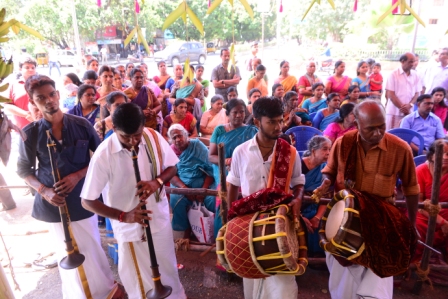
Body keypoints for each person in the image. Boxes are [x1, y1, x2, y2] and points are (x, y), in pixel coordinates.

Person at [17, 74, 122, 299]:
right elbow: (24, 170)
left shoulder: (82, 125)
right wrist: (44, 191)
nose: (49, 101)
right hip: (53, 205)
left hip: (83, 200)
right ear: (32, 101)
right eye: (41, 97)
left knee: (91, 247)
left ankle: (105, 291)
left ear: (59, 94)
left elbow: (101, 158)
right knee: (66, 252)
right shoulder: (30, 133)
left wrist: (77, 176)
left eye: (52, 94)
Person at [80, 102, 187, 299]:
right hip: (130, 229)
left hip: (159, 220)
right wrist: (123, 215)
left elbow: (172, 167)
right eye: (125, 137)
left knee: (168, 269)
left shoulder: (153, 137)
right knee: (140, 280)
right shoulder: (104, 154)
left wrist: (157, 182)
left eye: (136, 135)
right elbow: (87, 200)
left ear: (143, 125)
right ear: (114, 128)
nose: (132, 141)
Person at [315, 100, 419, 299]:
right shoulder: (343, 143)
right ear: (357, 124)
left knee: (376, 287)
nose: (378, 133)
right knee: (343, 286)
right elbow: (329, 171)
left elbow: (411, 190)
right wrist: (326, 182)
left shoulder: (400, 149)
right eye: (371, 128)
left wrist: (411, 224)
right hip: (344, 222)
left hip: (381, 225)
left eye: (382, 127)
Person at [226, 96, 304, 298]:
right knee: (251, 281)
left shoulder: (290, 153)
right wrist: (230, 219)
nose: (278, 127)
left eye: (280, 120)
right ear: (257, 122)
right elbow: (232, 185)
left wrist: (297, 199)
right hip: (248, 225)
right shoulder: (240, 152)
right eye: (272, 122)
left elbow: (299, 183)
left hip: (280, 225)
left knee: (284, 286)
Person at [209, 99, 258, 236]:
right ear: (228, 114)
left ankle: (242, 238)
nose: (238, 115)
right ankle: (222, 237)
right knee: (224, 203)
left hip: (246, 173)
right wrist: (227, 161)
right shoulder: (219, 130)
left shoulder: (252, 131)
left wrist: (241, 162)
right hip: (224, 174)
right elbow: (211, 156)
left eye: (242, 112)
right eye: (235, 112)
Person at [168, 124, 216, 239]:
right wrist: (185, 189)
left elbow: (211, 169)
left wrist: (203, 190)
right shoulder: (170, 151)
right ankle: (185, 230)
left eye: (180, 136)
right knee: (176, 199)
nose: (178, 140)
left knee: (213, 199)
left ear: (186, 135)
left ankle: (213, 229)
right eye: (174, 138)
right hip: (181, 184)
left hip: (203, 182)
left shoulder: (197, 146)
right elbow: (170, 175)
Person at [413, 139, 448, 263]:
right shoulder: (421, 170)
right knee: (415, 228)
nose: (445, 157)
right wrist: (442, 222)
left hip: (445, 211)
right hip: (424, 214)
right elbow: (419, 205)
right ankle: (414, 264)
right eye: (441, 153)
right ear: (431, 155)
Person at [301, 136, 331, 256]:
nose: (328, 153)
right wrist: (299, 216)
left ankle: (317, 257)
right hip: (297, 209)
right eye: (324, 149)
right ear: (313, 150)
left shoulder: (325, 169)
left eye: (329, 149)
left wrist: (317, 218)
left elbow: (326, 197)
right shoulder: (298, 165)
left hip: (315, 210)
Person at [385, 52, 420, 130]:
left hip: (409, 112)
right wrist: (403, 108)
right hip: (394, 112)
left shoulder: (416, 75)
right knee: (392, 135)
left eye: (414, 61)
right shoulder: (393, 74)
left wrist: (410, 105)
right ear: (402, 61)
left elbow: (417, 93)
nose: (413, 64)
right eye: (410, 61)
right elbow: (391, 94)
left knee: (405, 136)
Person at [4, 57, 37, 129]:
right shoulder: (14, 85)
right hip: (21, 129)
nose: (30, 70)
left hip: (41, 127)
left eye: (33, 67)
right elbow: (7, 106)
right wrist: (26, 114)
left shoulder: (42, 84)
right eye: (27, 67)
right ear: (20, 69)